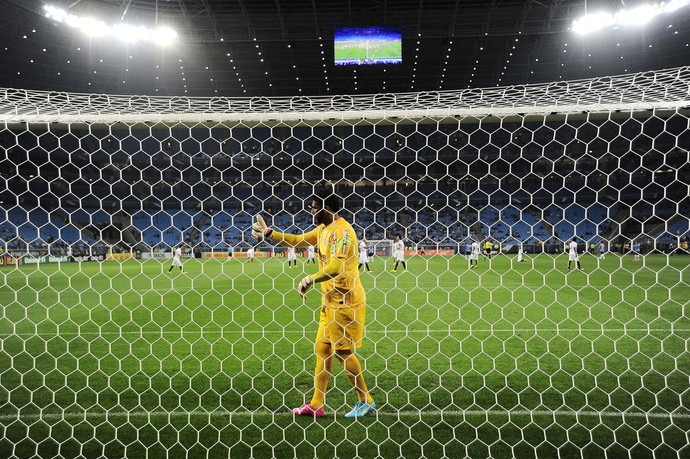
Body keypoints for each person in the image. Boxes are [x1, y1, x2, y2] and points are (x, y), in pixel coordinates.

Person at [251, 190, 375, 418]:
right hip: (330, 301)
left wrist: (310, 279)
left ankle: (365, 400)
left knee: (343, 352)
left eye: (315, 206)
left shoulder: (343, 232)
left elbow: (337, 268)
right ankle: (317, 404)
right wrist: (269, 233)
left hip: (345, 301)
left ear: (327, 207)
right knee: (323, 348)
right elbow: (298, 241)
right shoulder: (322, 230)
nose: (311, 209)